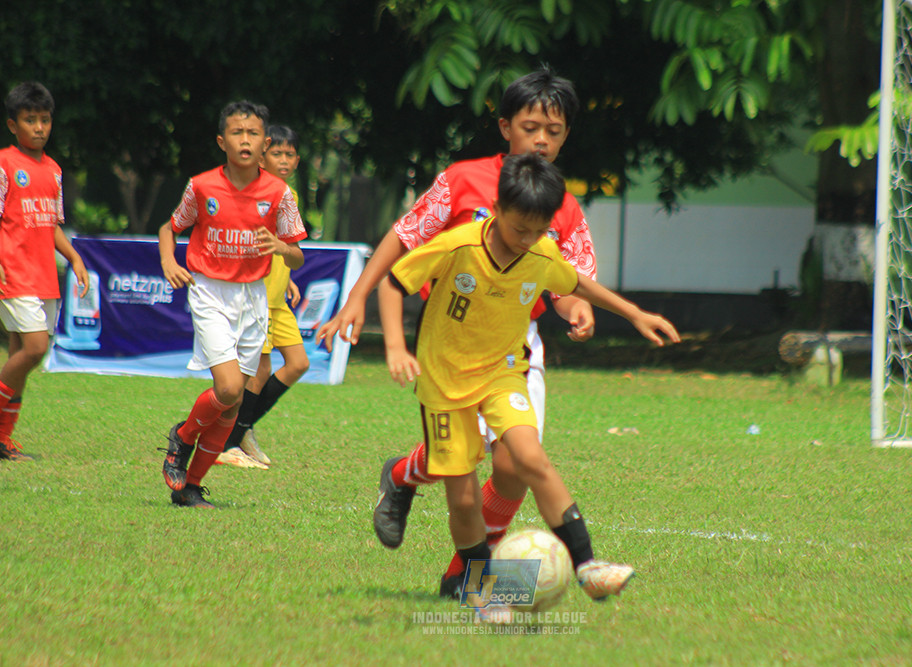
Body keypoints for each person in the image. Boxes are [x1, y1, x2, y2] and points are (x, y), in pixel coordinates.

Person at [317, 66, 597, 596]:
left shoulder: (562, 201)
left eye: (554, 131)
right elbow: (403, 239)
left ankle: (454, 562)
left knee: (515, 466)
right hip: (447, 340)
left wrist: (574, 308)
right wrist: (356, 299)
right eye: (531, 126)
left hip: (515, 347)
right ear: (504, 126)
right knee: (462, 467)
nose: (541, 140)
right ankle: (432, 523)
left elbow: (568, 280)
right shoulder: (462, 180)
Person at [378, 152, 680, 611]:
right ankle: (476, 587)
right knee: (461, 499)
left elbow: (577, 283)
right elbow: (393, 283)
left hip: (502, 374)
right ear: (496, 210)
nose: (528, 240)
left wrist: (635, 313)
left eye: (539, 231)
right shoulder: (459, 244)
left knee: (531, 458)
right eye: (519, 228)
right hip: (444, 382)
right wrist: (396, 348)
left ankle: (588, 566)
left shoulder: (540, 252)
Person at [158, 101, 307, 507]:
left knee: (233, 406)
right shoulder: (202, 186)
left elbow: (297, 255)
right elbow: (169, 228)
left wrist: (280, 246)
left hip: (254, 298)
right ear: (222, 141)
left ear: (265, 142)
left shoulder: (279, 194)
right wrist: (169, 260)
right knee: (227, 389)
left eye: (254, 133)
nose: (246, 140)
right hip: (210, 293)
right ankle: (183, 436)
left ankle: (189, 486)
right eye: (238, 133)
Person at [0, 82, 90, 461]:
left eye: (45, 120)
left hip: (43, 276)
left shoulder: (53, 169)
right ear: (12, 124)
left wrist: (74, 257)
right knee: (36, 349)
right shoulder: (4, 163)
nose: (38, 127)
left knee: (23, 355)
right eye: (30, 120)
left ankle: (4, 440)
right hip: (14, 272)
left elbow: (51, 223)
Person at [216, 124, 309, 469]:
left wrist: (286, 279)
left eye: (290, 155)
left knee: (298, 363)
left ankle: (243, 428)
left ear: (297, 161)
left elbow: (282, 245)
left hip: (278, 297)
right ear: (263, 155)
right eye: (277, 154)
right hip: (258, 297)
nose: (283, 161)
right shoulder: (255, 194)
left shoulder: (290, 195)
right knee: (259, 369)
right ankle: (228, 442)